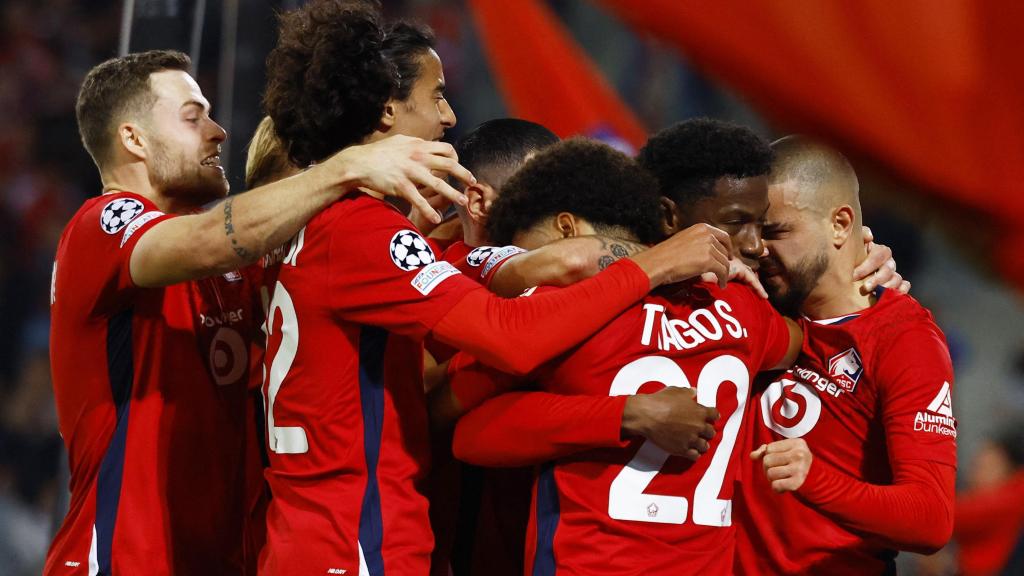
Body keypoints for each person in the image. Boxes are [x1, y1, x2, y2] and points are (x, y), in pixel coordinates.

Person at [257, 2, 730, 574]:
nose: (450, 116)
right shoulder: (362, 230)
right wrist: (655, 266)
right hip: (354, 538)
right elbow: (509, 338)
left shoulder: (314, 222)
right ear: (386, 112)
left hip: (321, 526)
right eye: (436, 95)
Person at [46, 48, 471, 576]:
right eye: (193, 116)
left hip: (226, 556)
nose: (219, 131)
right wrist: (345, 168)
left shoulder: (229, 274)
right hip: (119, 556)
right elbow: (208, 240)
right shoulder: (102, 226)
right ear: (133, 139)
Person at [453, 137, 801, 574]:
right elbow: (803, 339)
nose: (752, 245)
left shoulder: (569, 312)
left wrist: (617, 415)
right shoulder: (746, 308)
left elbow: (470, 433)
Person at [734, 135, 956, 575]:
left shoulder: (905, 339)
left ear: (840, 224)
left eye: (776, 231)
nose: (759, 248)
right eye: (754, 232)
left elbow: (932, 518)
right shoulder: (754, 302)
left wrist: (815, 479)